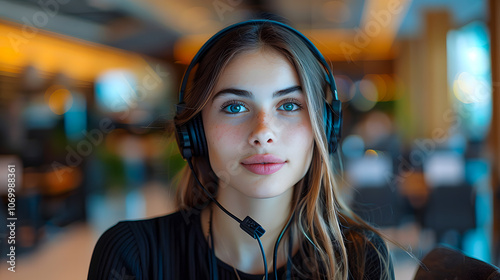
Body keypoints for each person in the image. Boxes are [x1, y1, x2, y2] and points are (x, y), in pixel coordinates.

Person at [88, 18, 394, 280]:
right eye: (234, 107)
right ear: (195, 131)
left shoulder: (361, 257)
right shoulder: (133, 255)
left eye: (289, 105)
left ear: (323, 127)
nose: (262, 133)